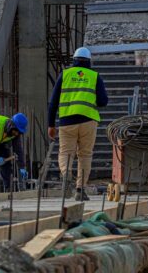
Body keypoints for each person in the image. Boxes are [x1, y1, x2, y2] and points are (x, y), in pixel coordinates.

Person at [47, 47, 109, 201]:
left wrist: (50, 125)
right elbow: (103, 101)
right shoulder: (95, 76)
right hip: (88, 120)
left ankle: (66, 174)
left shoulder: (65, 75)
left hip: (67, 121)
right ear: (89, 61)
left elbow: (53, 102)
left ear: (74, 60)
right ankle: (80, 190)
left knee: (66, 152)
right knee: (85, 155)